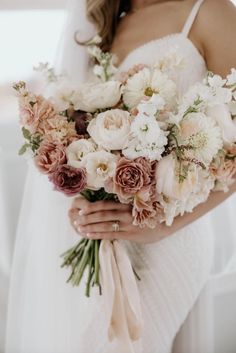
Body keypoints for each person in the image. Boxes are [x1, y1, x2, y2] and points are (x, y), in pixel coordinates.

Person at [5, 1, 236, 353]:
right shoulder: (109, 24)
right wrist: (86, 197)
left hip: (171, 240)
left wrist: (163, 226)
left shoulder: (211, 11)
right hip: (103, 242)